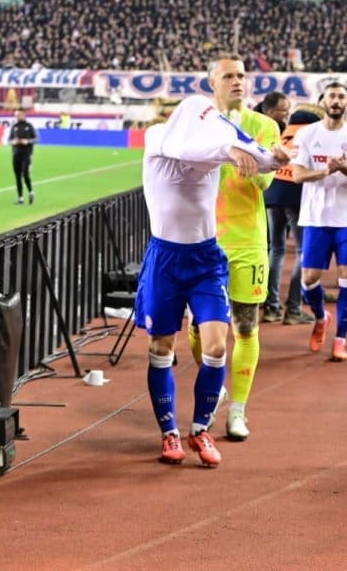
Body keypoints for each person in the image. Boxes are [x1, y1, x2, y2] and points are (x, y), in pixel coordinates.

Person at [134, 95, 289, 466]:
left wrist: (275, 158)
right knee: (161, 348)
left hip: (206, 259)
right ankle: (169, 433)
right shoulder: (160, 136)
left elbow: (256, 154)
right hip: (166, 259)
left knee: (217, 348)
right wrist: (230, 150)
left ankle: (200, 429)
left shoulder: (217, 138)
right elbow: (187, 148)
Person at [193, 55, 282, 442]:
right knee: (198, 329)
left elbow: (265, 184)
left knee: (245, 326)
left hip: (247, 240)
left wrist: (259, 161)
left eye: (242, 75)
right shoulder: (199, 123)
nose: (237, 81)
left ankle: (238, 410)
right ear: (211, 82)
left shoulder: (264, 126)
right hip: (203, 239)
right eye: (228, 75)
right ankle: (215, 389)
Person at [290, 82, 347, 361]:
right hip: (315, 218)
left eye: (341, 97)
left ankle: (341, 340)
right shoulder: (307, 134)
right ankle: (321, 317)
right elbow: (298, 175)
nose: (336, 101)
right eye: (332, 96)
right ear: (323, 101)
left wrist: (343, 167)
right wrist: (326, 171)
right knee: (309, 279)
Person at [260, 93, 318, 325]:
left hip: (272, 195)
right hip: (296, 197)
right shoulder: (310, 136)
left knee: (276, 250)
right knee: (304, 252)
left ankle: (272, 307)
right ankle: (294, 308)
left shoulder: (283, 134)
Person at [5, 108, 37, 205]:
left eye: (18, 115)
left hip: (26, 154)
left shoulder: (29, 126)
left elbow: (36, 139)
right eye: (16, 115)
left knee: (25, 174)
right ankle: (20, 198)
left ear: (24, 115)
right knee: (17, 176)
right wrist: (13, 142)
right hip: (16, 154)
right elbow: (9, 140)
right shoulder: (14, 126)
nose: (17, 117)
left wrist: (27, 141)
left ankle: (31, 192)